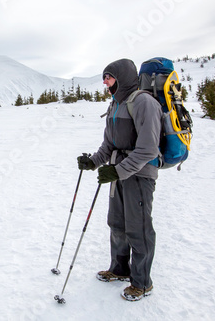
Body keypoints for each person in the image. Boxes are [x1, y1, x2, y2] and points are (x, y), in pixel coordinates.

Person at [77, 58, 162, 301]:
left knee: (139, 228)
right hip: (120, 172)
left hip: (140, 175)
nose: (104, 81)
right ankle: (120, 268)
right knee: (117, 224)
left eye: (109, 76)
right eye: (104, 76)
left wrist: (118, 170)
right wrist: (93, 162)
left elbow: (147, 149)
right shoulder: (115, 105)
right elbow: (108, 145)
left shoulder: (144, 103)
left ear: (122, 77)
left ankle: (142, 282)